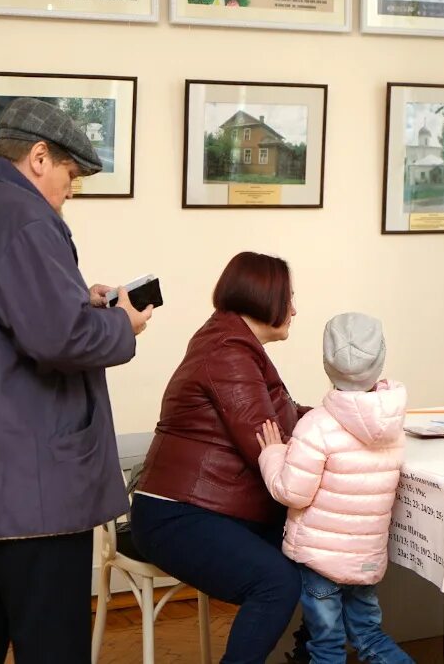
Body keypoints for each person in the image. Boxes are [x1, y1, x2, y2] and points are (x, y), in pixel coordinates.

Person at [0, 97, 153, 664]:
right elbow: (60, 341)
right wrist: (124, 323)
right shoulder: (24, 220)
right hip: (30, 490)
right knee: (52, 643)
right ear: (39, 157)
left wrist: (77, 298)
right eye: (71, 175)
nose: (72, 190)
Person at [130, 251, 308, 664]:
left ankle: (311, 654)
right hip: (178, 515)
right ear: (265, 298)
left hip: (210, 509)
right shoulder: (228, 351)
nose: (294, 310)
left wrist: (345, 414)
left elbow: (286, 418)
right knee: (276, 583)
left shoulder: (233, 343)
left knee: (319, 547)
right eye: (289, 298)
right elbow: (267, 445)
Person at [256, 313, 414, 664]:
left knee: (327, 647)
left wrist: (272, 453)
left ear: (328, 363)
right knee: (370, 637)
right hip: (364, 560)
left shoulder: (316, 426)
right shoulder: (393, 427)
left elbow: (293, 492)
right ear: (380, 359)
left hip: (319, 562)